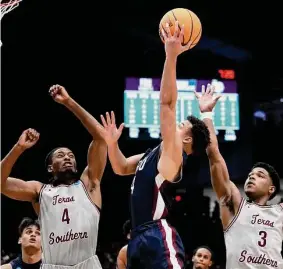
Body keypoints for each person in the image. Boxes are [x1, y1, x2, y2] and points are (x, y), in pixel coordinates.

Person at [100, 22, 210, 269]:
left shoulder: (174, 155)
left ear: (187, 139)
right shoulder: (152, 154)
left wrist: (171, 56)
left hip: (157, 236)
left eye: (182, 125)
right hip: (139, 236)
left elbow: (167, 105)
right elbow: (118, 167)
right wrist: (111, 144)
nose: (175, 124)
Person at [1, 85, 108, 269]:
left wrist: (68, 102)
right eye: (60, 155)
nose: (67, 157)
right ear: (50, 167)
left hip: (88, 264)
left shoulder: (89, 183)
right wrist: (18, 148)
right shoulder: (39, 191)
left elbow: (100, 138)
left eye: (71, 155)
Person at [194, 85, 283, 268]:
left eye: (260, 176)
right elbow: (215, 157)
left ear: (271, 188)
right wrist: (206, 116)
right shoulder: (234, 204)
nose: (251, 177)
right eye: (251, 174)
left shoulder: (280, 213)